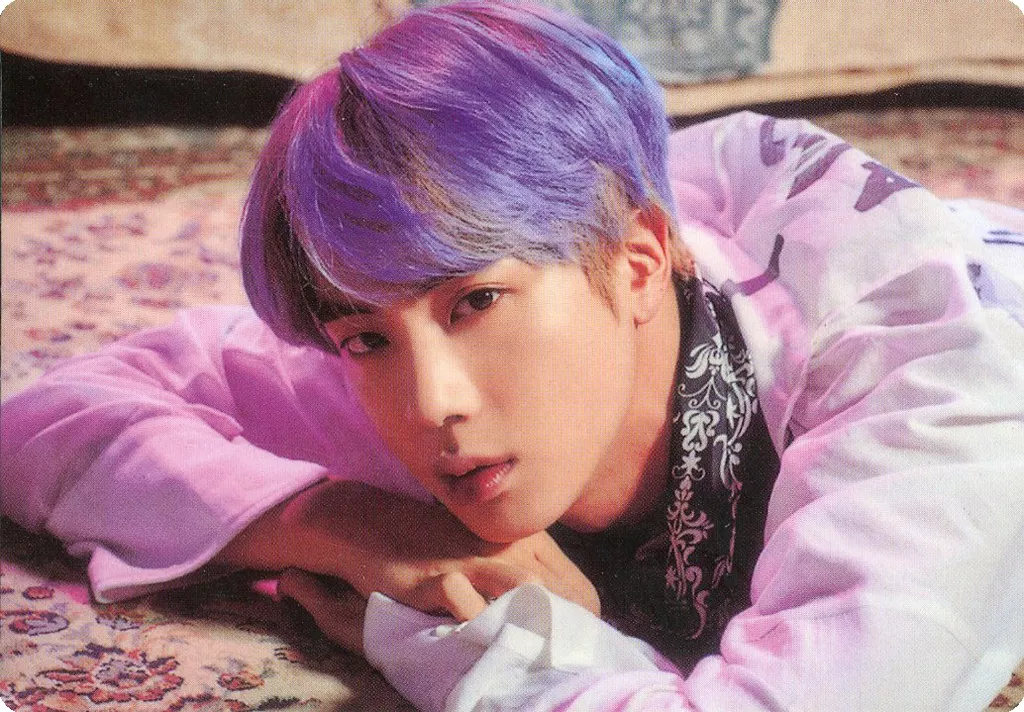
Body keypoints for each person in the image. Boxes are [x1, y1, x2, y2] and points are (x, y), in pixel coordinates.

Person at [2, 2, 1023, 710]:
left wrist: (460, 639)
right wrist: (343, 523)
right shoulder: (404, 343)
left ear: (637, 263)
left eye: (476, 303)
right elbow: (46, 419)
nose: (431, 403)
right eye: (365, 335)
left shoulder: (915, 386)